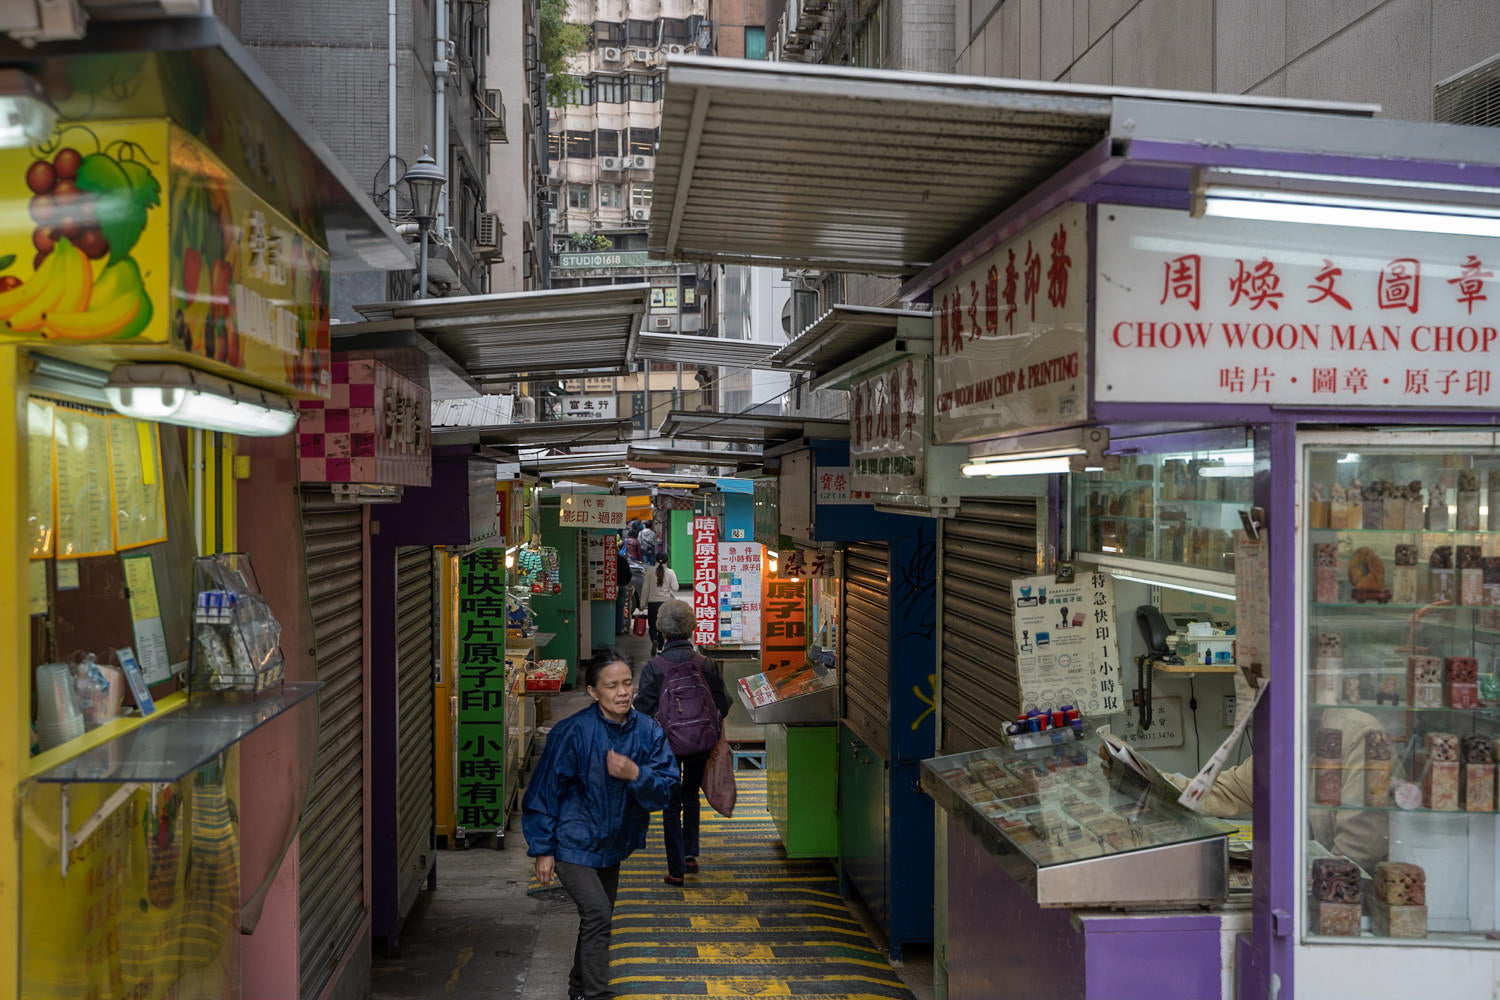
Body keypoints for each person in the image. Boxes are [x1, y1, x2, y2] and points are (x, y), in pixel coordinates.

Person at [522, 652, 679, 1000]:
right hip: (571, 842)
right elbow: (545, 792)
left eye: (627, 683)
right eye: (612, 685)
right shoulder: (573, 732)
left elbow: (667, 789)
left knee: (597, 919)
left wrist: (637, 774)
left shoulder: (648, 731)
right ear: (593, 692)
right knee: (597, 914)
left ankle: (578, 989)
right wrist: (543, 849)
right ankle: (595, 994)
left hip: (613, 842)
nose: (623, 692)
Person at [633, 599, 732, 885]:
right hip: (700, 743)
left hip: (667, 745)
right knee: (691, 795)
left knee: (670, 802)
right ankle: (691, 855)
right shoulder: (706, 664)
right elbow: (723, 703)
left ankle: (676, 869)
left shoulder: (655, 667)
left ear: (661, 630)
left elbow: (643, 708)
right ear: (691, 628)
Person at [638, 553, 679, 654]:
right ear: (667, 561)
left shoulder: (650, 571)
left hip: (652, 603)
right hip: (665, 603)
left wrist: (642, 604)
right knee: (662, 626)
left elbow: (645, 589)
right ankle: (660, 649)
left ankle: (654, 640)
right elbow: (675, 588)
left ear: (655, 560)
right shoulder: (670, 572)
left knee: (652, 626)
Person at [616, 542, 632, 635]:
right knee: (620, 608)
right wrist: (626, 583)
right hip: (622, 586)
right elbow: (629, 574)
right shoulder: (623, 560)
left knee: (610, 608)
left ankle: (611, 629)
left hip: (612, 586)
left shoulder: (608, 561)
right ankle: (619, 629)